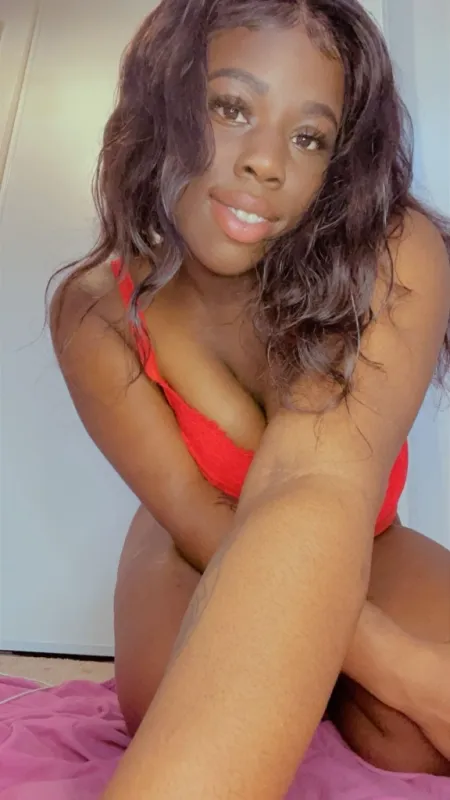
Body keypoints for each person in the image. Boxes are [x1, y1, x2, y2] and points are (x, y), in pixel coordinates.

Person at [50, 0, 450, 796]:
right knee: (187, 708)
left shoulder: (391, 255)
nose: (267, 163)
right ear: (163, 101)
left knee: (414, 746)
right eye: (231, 108)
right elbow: (201, 519)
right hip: (195, 548)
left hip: (367, 541)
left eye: (309, 138)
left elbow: (318, 491)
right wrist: (407, 672)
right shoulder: (96, 313)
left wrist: (373, 671)